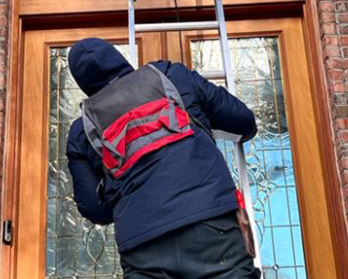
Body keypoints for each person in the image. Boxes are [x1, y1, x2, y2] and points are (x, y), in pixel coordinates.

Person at [66, 38, 261, 279]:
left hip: (143, 246)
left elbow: (96, 210)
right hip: (211, 226)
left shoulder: (82, 130)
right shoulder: (171, 76)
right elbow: (243, 121)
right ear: (118, 58)